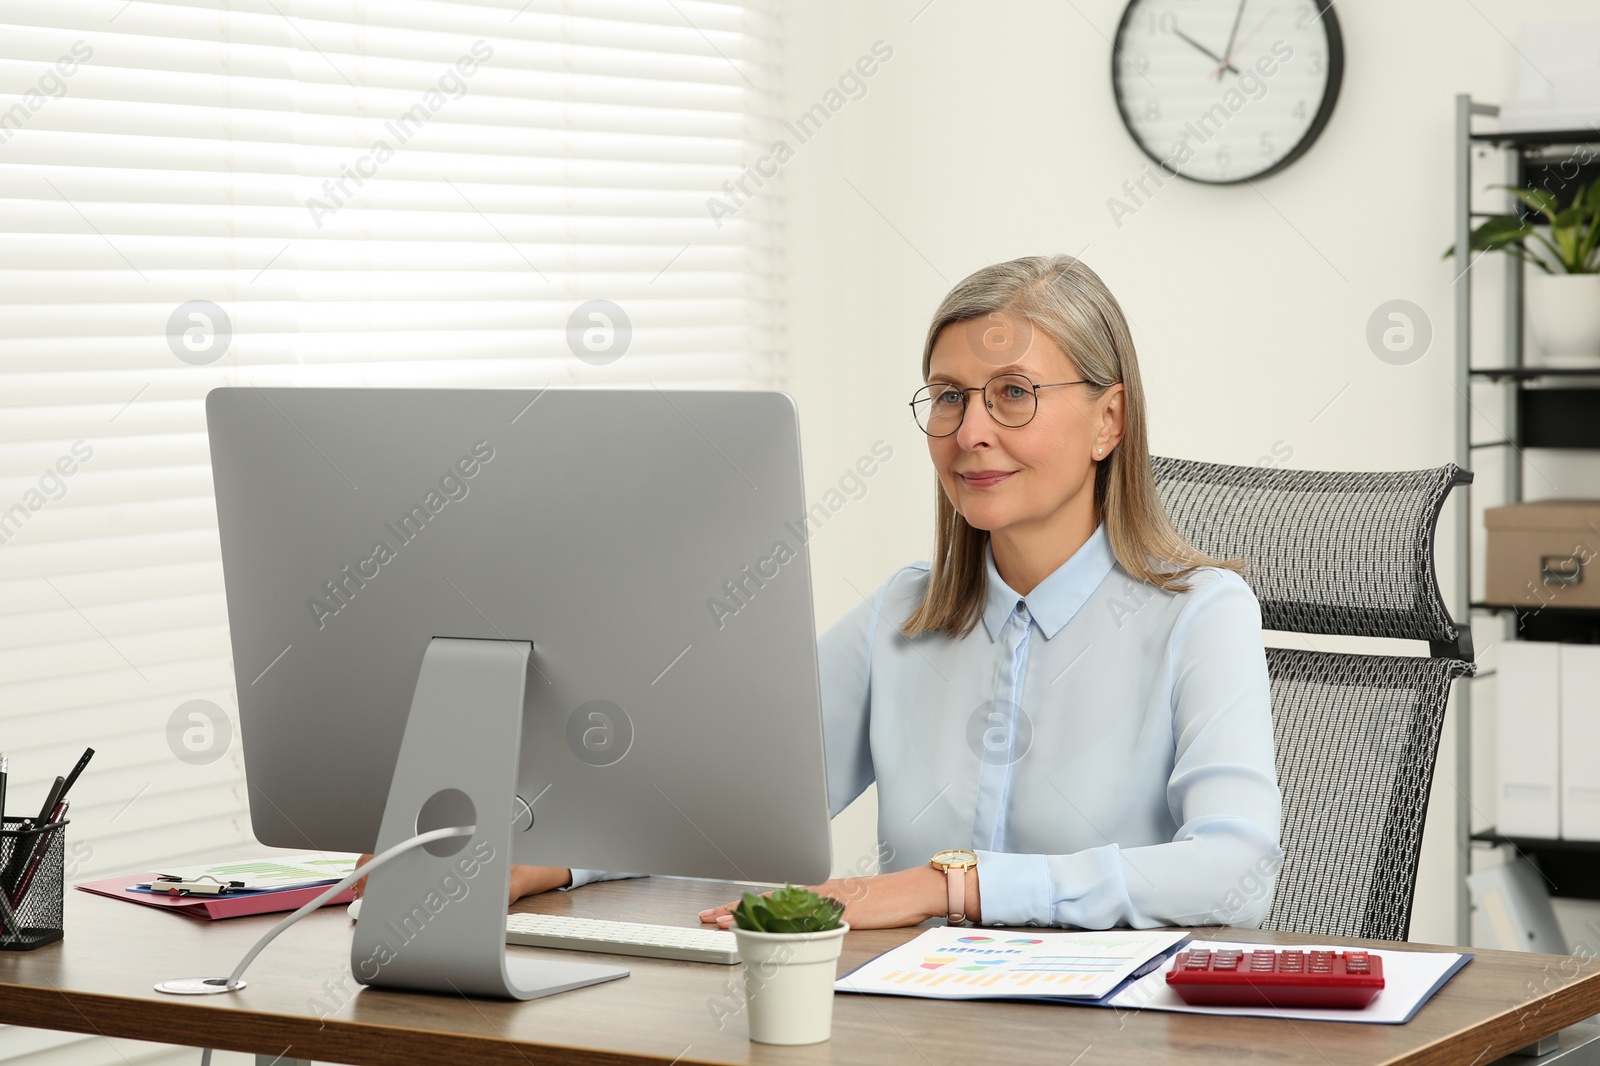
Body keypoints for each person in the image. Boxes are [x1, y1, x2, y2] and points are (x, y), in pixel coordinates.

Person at [360, 255, 1284, 930]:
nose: (971, 432)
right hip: (909, 1022)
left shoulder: (1201, 615)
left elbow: (1235, 873)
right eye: (949, 397)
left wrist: (946, 884)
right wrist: (550, 859)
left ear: (1108, 419)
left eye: (1012, 394)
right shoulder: (902, 618)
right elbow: (727, 799)